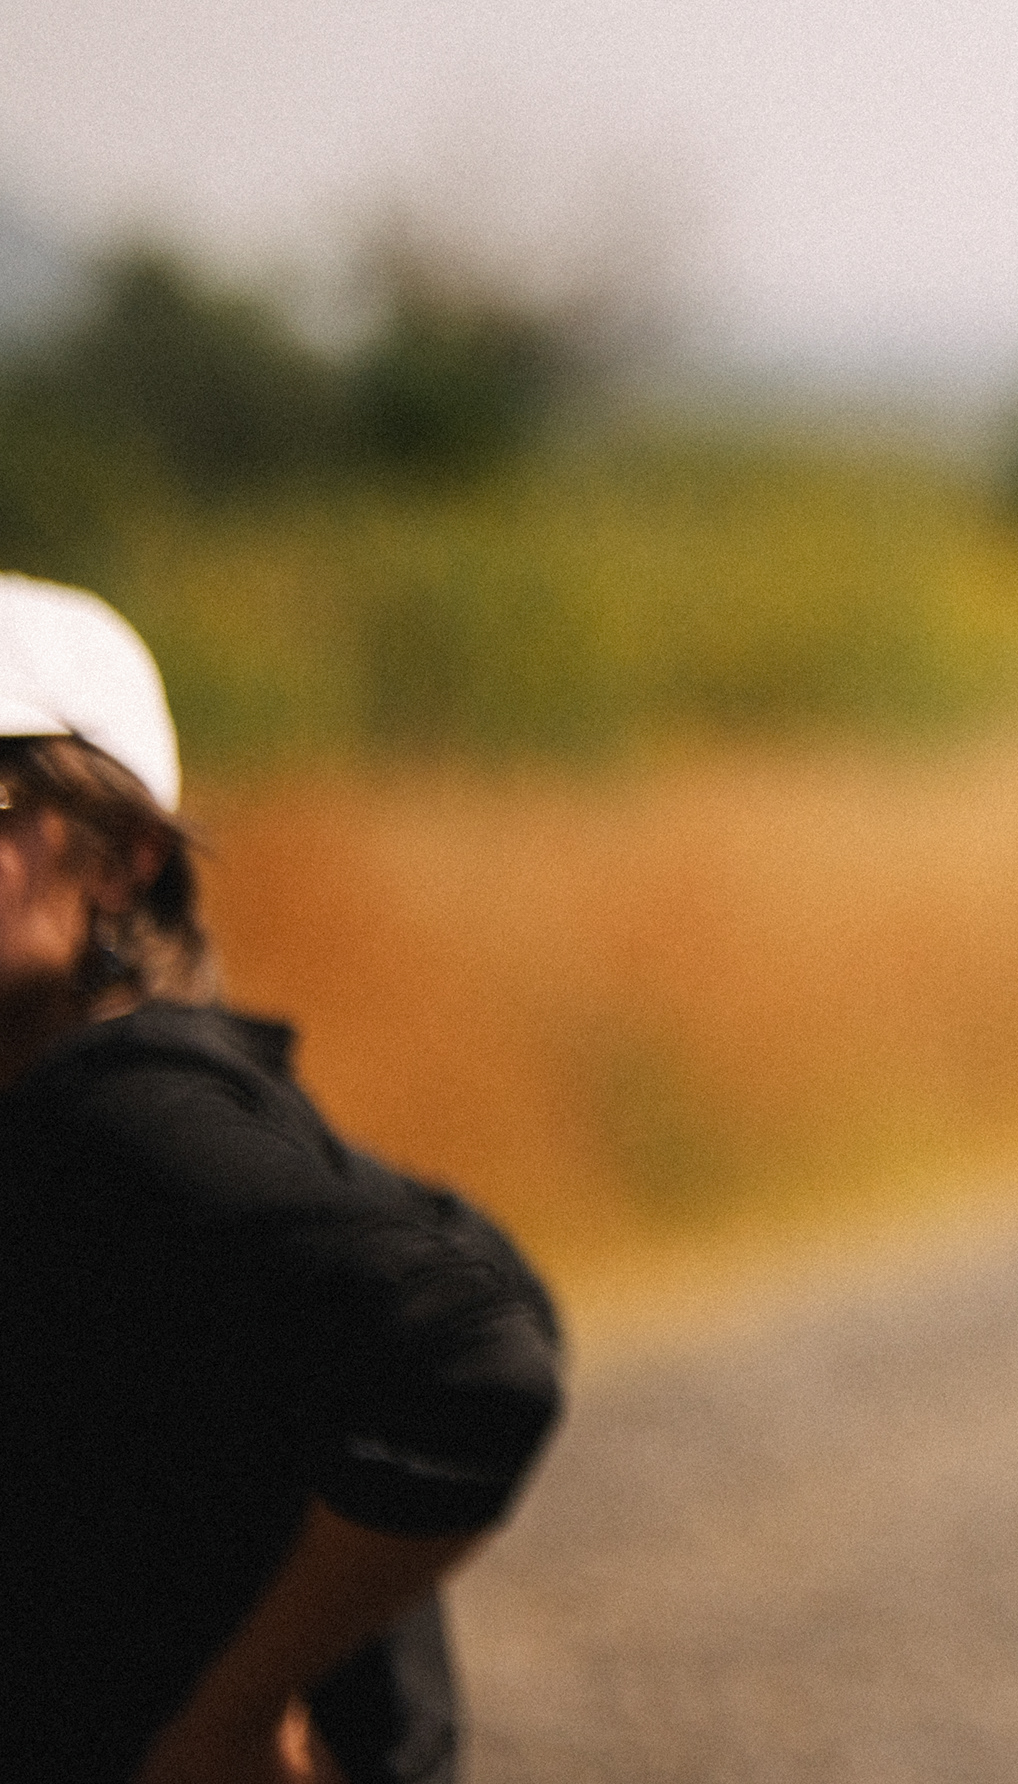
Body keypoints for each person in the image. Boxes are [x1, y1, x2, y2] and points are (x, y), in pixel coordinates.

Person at [0, 574, 565, 1784]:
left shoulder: (120, 1117)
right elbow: (485, 1258)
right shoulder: (170, 1091)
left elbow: (478, 1351)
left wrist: (234, 1714)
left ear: (124, 858)